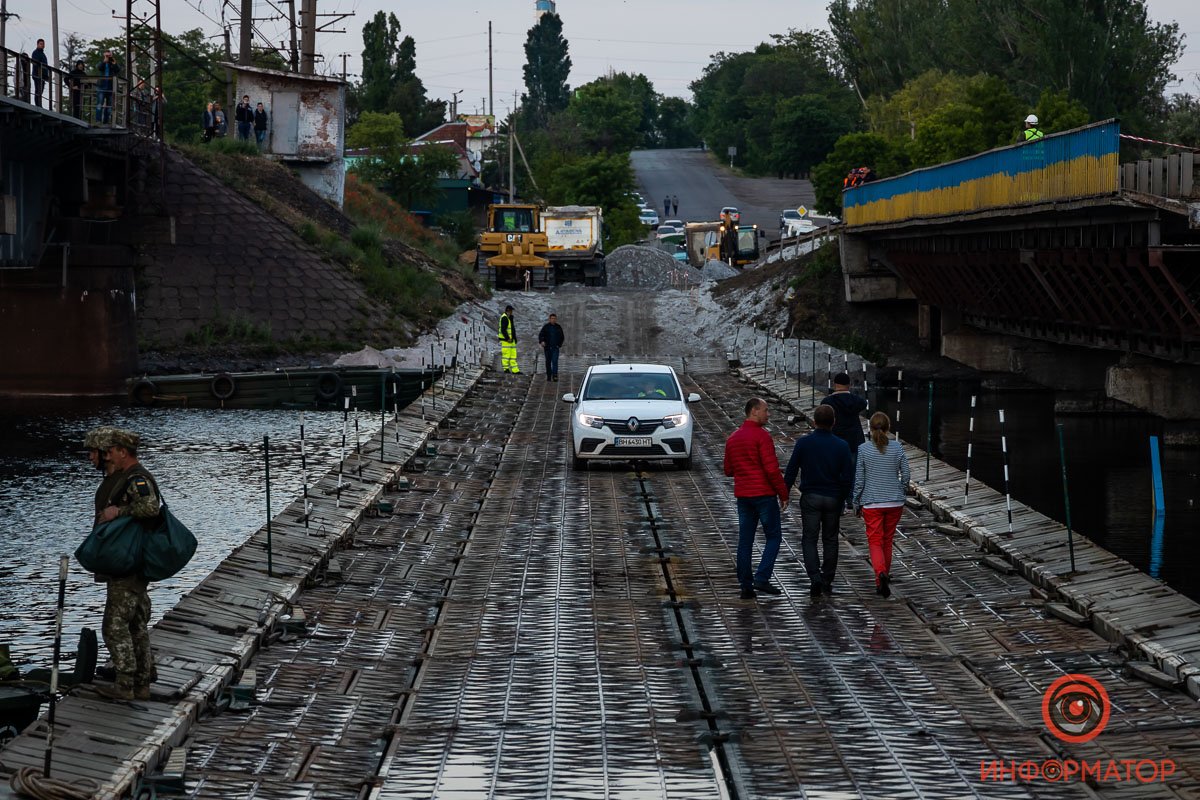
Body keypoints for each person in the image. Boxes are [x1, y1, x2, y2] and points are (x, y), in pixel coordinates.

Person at [94, 429, 160, 700]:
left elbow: (151, 507)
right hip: (127, 560)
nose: (95, 458)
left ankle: (125, 684)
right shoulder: (119, 478)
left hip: (129, 563)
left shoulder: (137, 479)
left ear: (121, 451)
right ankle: (141, 683)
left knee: (114, 625)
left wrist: (118, 511)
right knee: (135, 623)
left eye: (104, 453)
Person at [783, 404, 854, 597]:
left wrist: (784, 493)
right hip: (833, 498)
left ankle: (814, 577)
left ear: (814, 422)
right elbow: (848, 477)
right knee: (830, 539)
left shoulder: (803, 443)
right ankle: (827, 578)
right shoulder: (841, 446)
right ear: (834, 423)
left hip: (811, 497)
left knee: (809, 538)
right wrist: (845, 499)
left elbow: (791, 470)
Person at [723, 397, 789, 599]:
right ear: (754, 411)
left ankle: (745, 584)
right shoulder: (762, 437)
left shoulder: (733, 438)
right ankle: (762, 577)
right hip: (764, 495)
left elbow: (728, 470)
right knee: (774, 537)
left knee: (745, 540)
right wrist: (783, 494)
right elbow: (771, 469)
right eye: (765, 410)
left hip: (744, 496)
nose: (768, 414)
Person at [852, 412, 910, 598]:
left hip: (872, 501)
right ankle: (884, 575)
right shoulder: (897, 447)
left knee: (875, 541)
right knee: (887, 540)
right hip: (895, 501)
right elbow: (906, 474)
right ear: (888, 427)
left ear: (870, 428)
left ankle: (880, 575)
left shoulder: (863, 449)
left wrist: (856, 500)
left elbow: (860, 479)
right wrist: (901, 489)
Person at [820, 372, 868, 508]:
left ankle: (838, 500)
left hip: (834, 442)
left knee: (836, 472)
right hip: (854, 441)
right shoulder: (856, 401)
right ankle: (851, 499)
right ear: (849, 385)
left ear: (835, 384)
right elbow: (863, 403)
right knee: (853, 471)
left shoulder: (828, 402)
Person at [537, 312, 565, 382]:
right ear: (549, 319)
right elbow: (541, 335)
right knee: (548, 362)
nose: (553, 320)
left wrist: (559, 344)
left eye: (554, 319)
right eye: (552, 318)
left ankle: (555, 375)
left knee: (555, 361)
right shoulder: (546, 327)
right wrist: (542, 341)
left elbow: (562, 337)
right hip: (547, 348)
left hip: (555, 348)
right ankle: (549, 375)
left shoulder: (558, 327)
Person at [97, 51, 120, 124]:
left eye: (109, 56)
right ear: (104, 55)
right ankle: (98, 120)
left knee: (109, 106)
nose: (108, 57)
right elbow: (99, 68)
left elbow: (117, 70)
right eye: (106, 56)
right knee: (99, 104)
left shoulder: (112, 63)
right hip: (101, 87)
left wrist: (114, 64)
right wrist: (104, 61)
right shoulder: (102, 63)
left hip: (110, 87)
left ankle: (106, 121)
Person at [498, 305, 520, 374]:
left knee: (513, 356)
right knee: (506, 355)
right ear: (508, 310)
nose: (511, 312)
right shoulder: (504, 318)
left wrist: (514, 338)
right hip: (506, 340)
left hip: (511, 340)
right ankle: (506, 369)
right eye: (511, 311)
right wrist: (507, 338)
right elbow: (503, 330)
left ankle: (515, 370)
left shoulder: (509, 318)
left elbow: (512, 329)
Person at [31, 39, 48, 108]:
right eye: (41, 44)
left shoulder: (43, 54)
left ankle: (39, 104)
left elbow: (45, 65)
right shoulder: (35, 53)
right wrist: (38, 74)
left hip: (43, 75)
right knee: (38, 90)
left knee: (40, 90)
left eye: (43, 44)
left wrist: (46, 75)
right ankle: (38, 105)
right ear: (37, 44)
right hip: (37, 74)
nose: (42, 45)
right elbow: (35, 64)